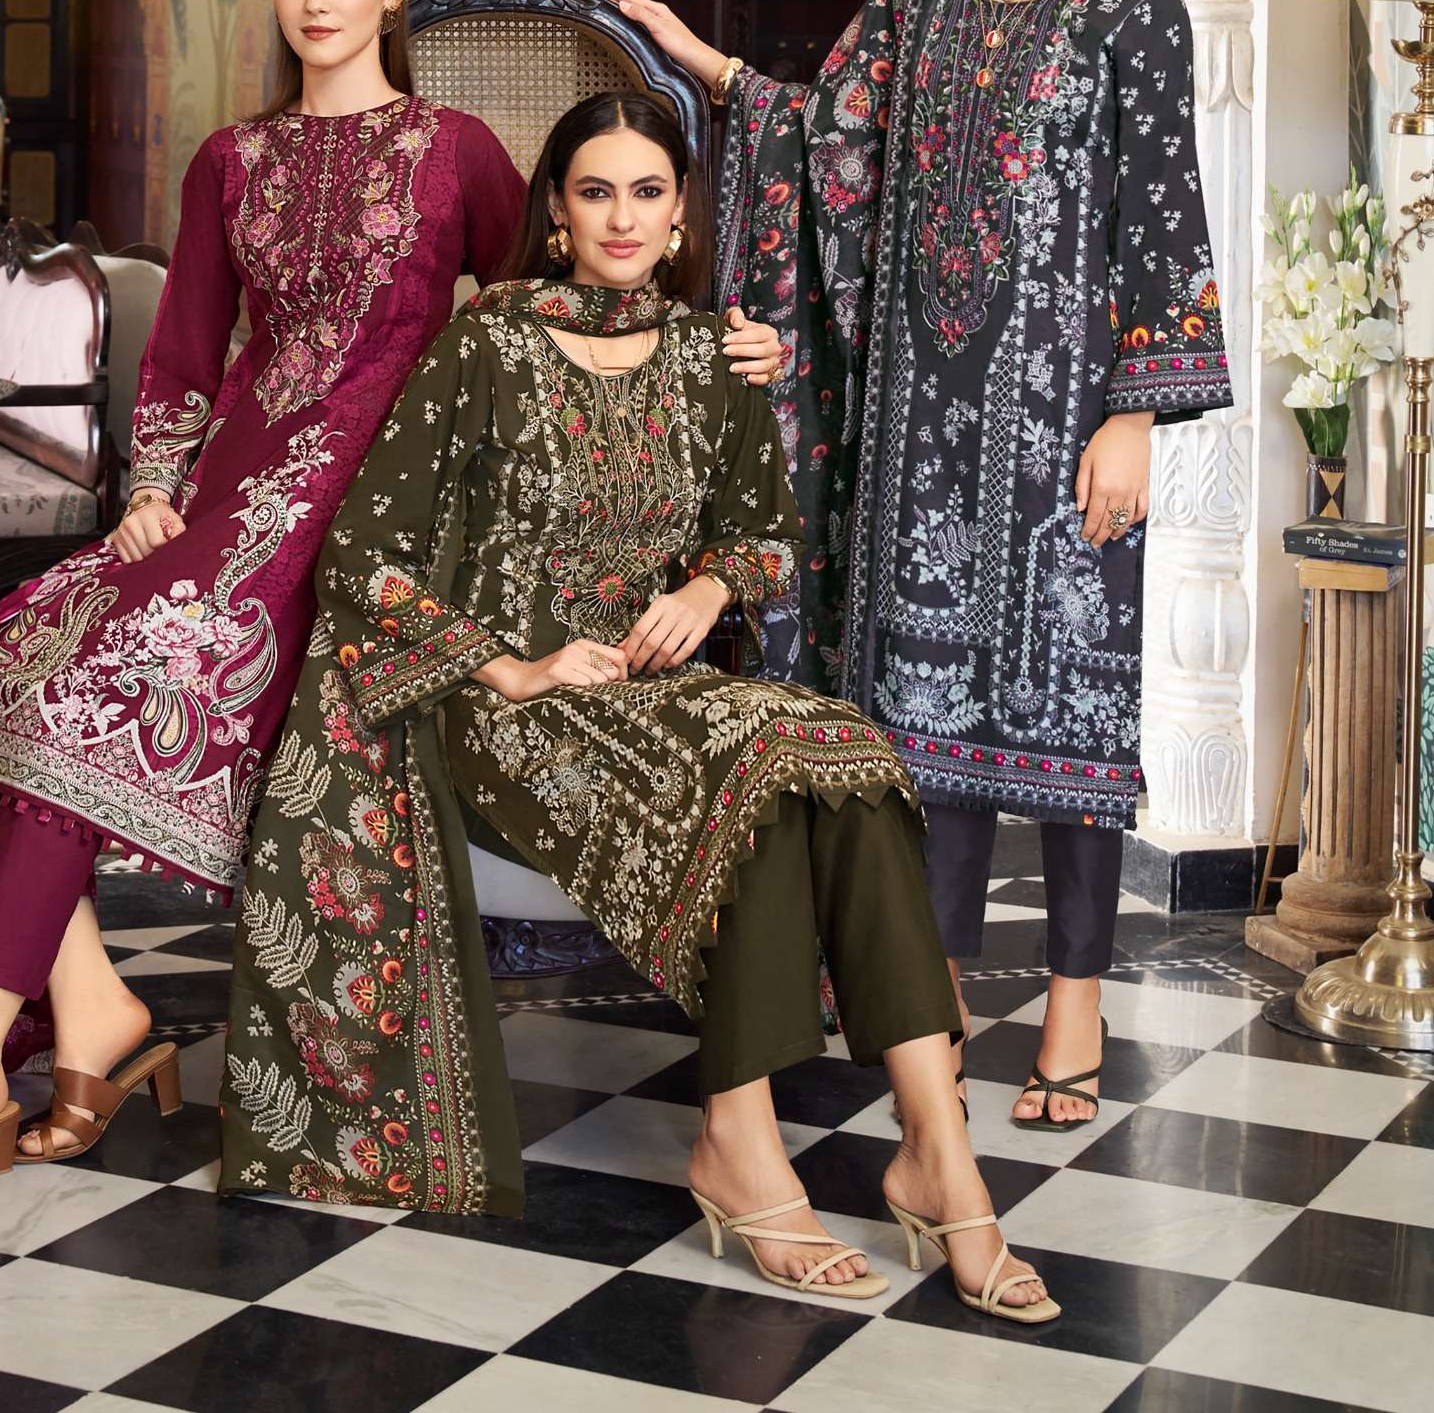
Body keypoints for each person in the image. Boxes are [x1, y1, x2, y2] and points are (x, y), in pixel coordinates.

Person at [0, 0, 785, 1212]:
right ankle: (94, 1009)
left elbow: (554, 300)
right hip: (227, 493)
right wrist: (153, 487)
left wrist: (724, 337)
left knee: (78, 702)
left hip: (372, 518)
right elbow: (184, 354)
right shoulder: (232, 159)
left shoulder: (454, 150)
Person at [220, 92, 1058, 1323]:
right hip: (504, 711)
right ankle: (745, 1145)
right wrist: (508, 669)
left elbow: (765, 533)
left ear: (679, 215)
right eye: (596, 191)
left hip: (659, 699)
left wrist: (709, 584)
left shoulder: (711, 357)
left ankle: (939, 1156)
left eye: (648, 192)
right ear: (557, 213)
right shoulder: (487, 346)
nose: (622, 217)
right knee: (765, 757)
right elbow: (364, 551)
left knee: (837, 750)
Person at [607, 0, 1231, 1134]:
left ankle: (1073, 1008)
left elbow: (1161, 221)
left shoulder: (1133, 7)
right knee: (920, 725)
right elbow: (826, 141)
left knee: (1073, 712)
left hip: (1065, 419)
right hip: (914, 422)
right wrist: (710, 66)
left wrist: (1139, 416)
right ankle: (924, 1003)